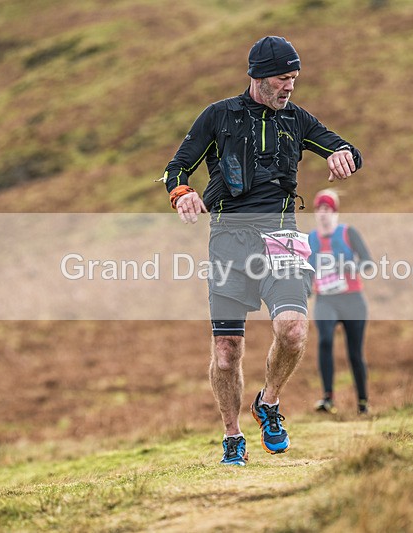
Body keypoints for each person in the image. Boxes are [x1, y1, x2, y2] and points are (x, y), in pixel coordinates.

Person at [160, 36, 362, 465]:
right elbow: (176, 167)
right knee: (226, 351)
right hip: (229, 240)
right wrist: (182, 193)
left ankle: (267, 403)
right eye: (282, 78)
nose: (290, 86)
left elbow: (345, 147)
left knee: (292, 330)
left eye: (295, 78)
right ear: (257, 77)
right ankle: (232, 435)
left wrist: (346, 155)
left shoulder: (298, 119)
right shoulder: (219, 116)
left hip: (283, 237)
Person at [307, 189, 373, 415]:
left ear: (335, 212)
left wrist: (351, 268)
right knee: (324, 340)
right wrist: (305, 289)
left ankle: (363, 403)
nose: (322, 214)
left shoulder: (348, 233)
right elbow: (305, 270)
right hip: (325, 299)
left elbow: (368, 262)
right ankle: (327, 398)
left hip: (352, 299)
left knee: (354, 353)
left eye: (327, 209)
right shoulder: (310, 239)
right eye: (318, 209)